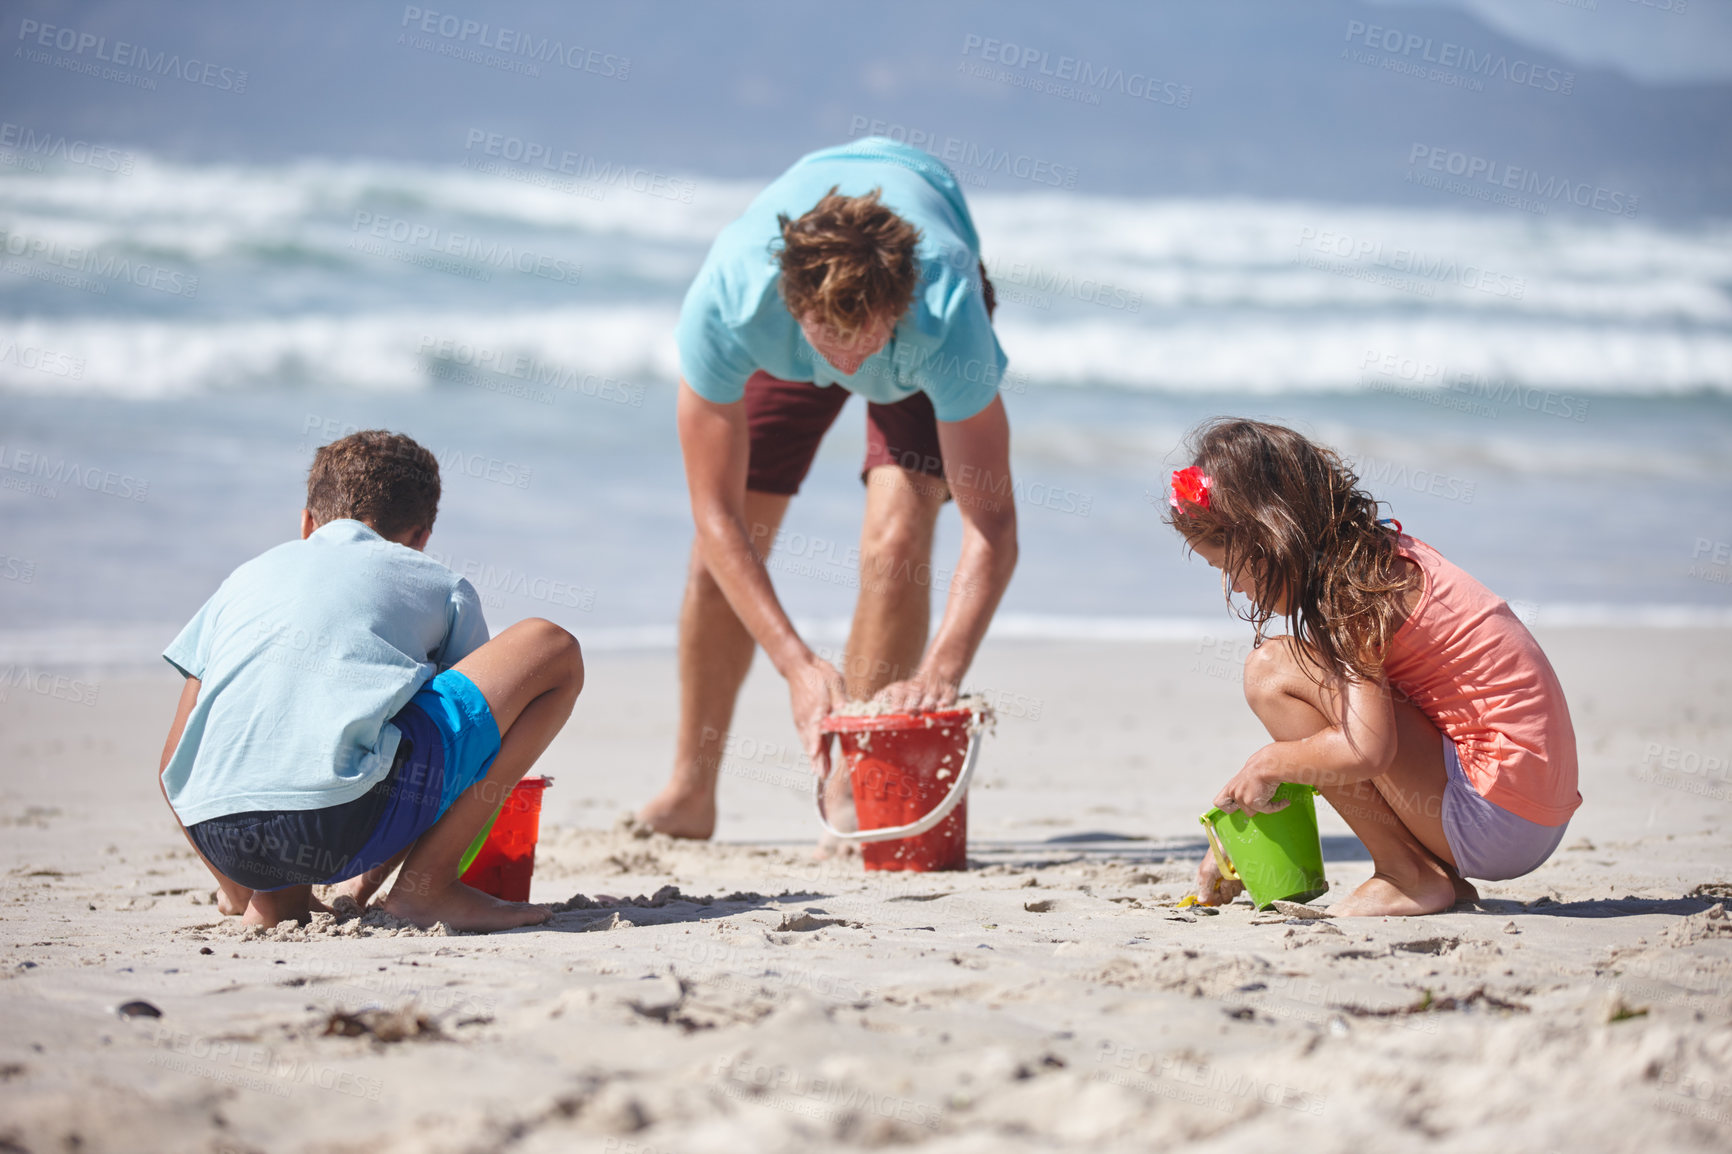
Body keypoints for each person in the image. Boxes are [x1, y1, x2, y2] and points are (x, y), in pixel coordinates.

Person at [638, 137, 1018, 839]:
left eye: (865, 335)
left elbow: (991, 525)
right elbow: (713, 512)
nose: (849, 358)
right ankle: (691, 790)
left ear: (898, 304)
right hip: (784, 336)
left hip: (915, 331)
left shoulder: (943, 306)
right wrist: (796, 665)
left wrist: (941, 670)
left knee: (897, 538)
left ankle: (857, 786)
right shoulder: (733, 298)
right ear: (793, 305)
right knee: (720, 556)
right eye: (830, 337)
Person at [156, 430, 583, 931]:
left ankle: (271, 903)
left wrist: (238, 886)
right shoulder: (441, 584)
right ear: (421, 538)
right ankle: (427, 889)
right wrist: (368, 877)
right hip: (342, 825)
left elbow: (172, 764)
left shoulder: (239, 582)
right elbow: (471, 748)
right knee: (550, 647)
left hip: (222, 839)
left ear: (307, 523)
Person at [1167, 419, 1580, 917]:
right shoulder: (1378, 560)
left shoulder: (1354, 593)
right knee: (1319, 694)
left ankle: (1408, 875)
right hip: (1530, 811)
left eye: (1228, 566)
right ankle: (1437, 875)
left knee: (1272, 671)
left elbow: (1367, 748)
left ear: (1268, 537)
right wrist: (1232, 837)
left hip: (1496, 816)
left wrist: (1266, 762)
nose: (1235, 587)